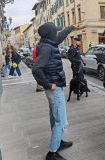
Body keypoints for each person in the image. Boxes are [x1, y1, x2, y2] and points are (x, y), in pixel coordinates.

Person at [32, 22, 80, 160]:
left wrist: (70, 27)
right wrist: (47, 85)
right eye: (55, 31)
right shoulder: (47, 48)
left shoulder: (48, 43)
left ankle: (58, 142)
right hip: (54, 88)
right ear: (51, 34)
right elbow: (36, 69)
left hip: (53, 87)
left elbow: (60, 37)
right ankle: (52, 153)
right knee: (60, 120)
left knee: (54, 117)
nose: (57, 34)